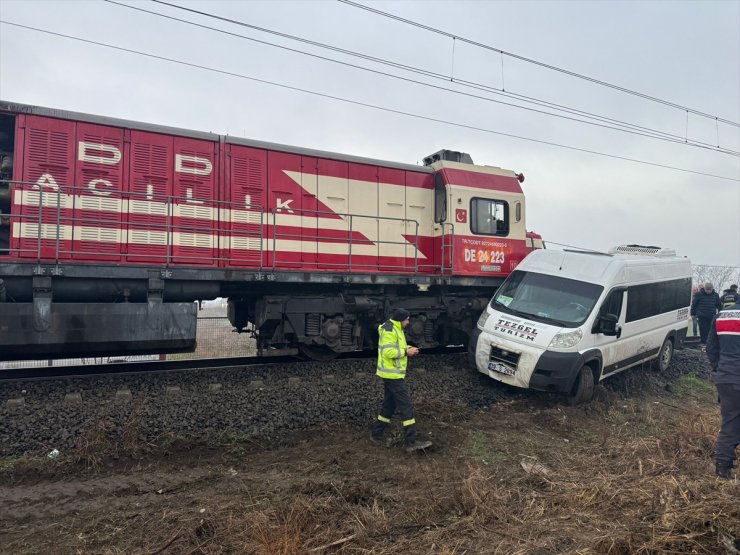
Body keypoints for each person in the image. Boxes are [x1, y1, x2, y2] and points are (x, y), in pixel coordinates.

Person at [371, 308, 433, 453]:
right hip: (392, 375)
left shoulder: (394, 327)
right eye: (407, 319)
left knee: (389, 405)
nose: (408, 322)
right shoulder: (390, 330)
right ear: (401, 319)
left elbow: (396, 347)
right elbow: (388, 352)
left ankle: (376, 434)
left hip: (391, 374)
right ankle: (411, 441)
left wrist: (409, 348)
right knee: (406, 406)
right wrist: (406, 352)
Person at [706, 299, 740, 479]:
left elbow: (711, 347)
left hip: (726, 377)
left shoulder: (721, 315)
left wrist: (720, 369)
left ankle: (722, 466)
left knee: (730, 421)